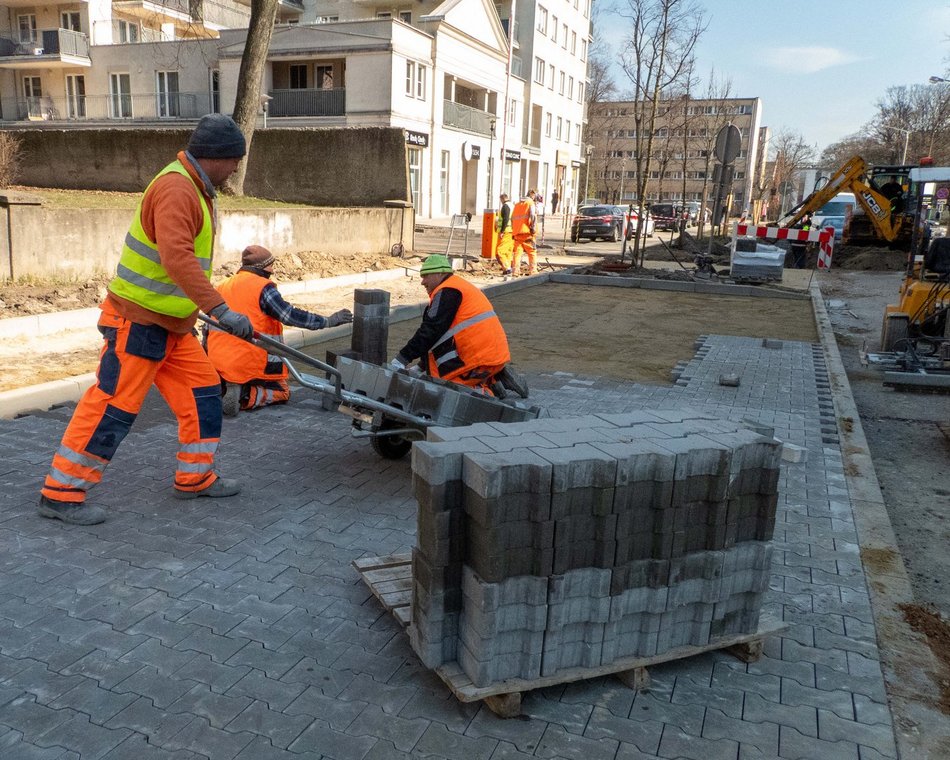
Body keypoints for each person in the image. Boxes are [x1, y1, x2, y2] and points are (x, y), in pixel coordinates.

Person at [38, 114, 254, 525]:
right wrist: (220, 309)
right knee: (113, 406)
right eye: (235, 161)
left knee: (204, 393)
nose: (236, 170)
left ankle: (195, 478)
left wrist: (200, 311)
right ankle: (61, 492)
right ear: (218, 157)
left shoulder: (195, 187)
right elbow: (178, 259)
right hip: (136, 321)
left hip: (171, 326)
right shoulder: (177, 188)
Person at [206, 245, 354, 416]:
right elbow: (289, 315)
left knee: (231, 372)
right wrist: (328, 321)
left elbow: (207, 328)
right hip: (250, 360)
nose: (273, 269)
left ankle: (227, 386)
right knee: (283, 390)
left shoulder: (222, 285)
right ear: (262, 267)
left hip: (218, 361)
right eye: (271, 265)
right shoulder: (262, 287)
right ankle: (246, 395)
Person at [390, 255, 526, 397]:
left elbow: (431, 330)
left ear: (440, 273)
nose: (422, 282)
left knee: (445, 391)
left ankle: (487, 388)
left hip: (480, 358)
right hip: (490, 354)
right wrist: (420, 367)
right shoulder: (456, 287)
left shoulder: (448, 292)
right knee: (437, 379)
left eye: (426, 276)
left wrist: (402, 359)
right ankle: (491, 378)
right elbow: (440, 335)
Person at [511, 189, 538, 276]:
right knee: (532, 252)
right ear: (532, 195)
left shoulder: (517, 205)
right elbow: (533, 216)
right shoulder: (530, 203)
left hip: (517, 233)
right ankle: (533, 271)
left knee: (517, 253)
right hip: (527, 233)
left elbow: (512, 219)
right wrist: (533, 228)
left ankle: (515, 271)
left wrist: (513, 231)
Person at [494, 193, 515, 279]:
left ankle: (507, 268)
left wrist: (502, 231)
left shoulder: (506, 206)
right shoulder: (513, 206)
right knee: (508, 252)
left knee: (500, 251)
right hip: (512, 232)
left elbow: (506, 218)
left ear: (502, 199)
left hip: (506, 231)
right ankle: (506, 269)